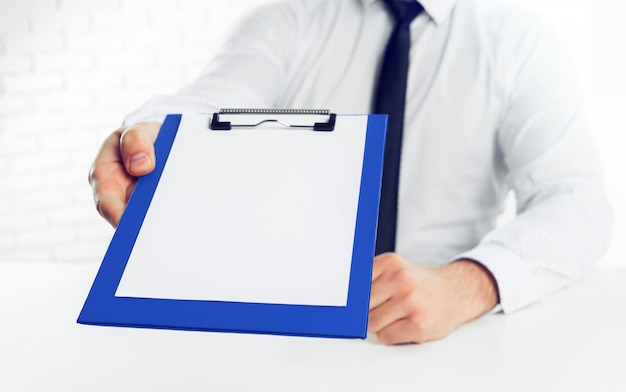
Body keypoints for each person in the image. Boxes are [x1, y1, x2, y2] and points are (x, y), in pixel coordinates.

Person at [89, 0, 612, 345]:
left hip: (448, 338)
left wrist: (466, 285)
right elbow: (217, 99)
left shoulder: (520, 42)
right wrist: (150, 131)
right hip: (286, 329)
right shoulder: (290, 19)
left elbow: (577, 201)